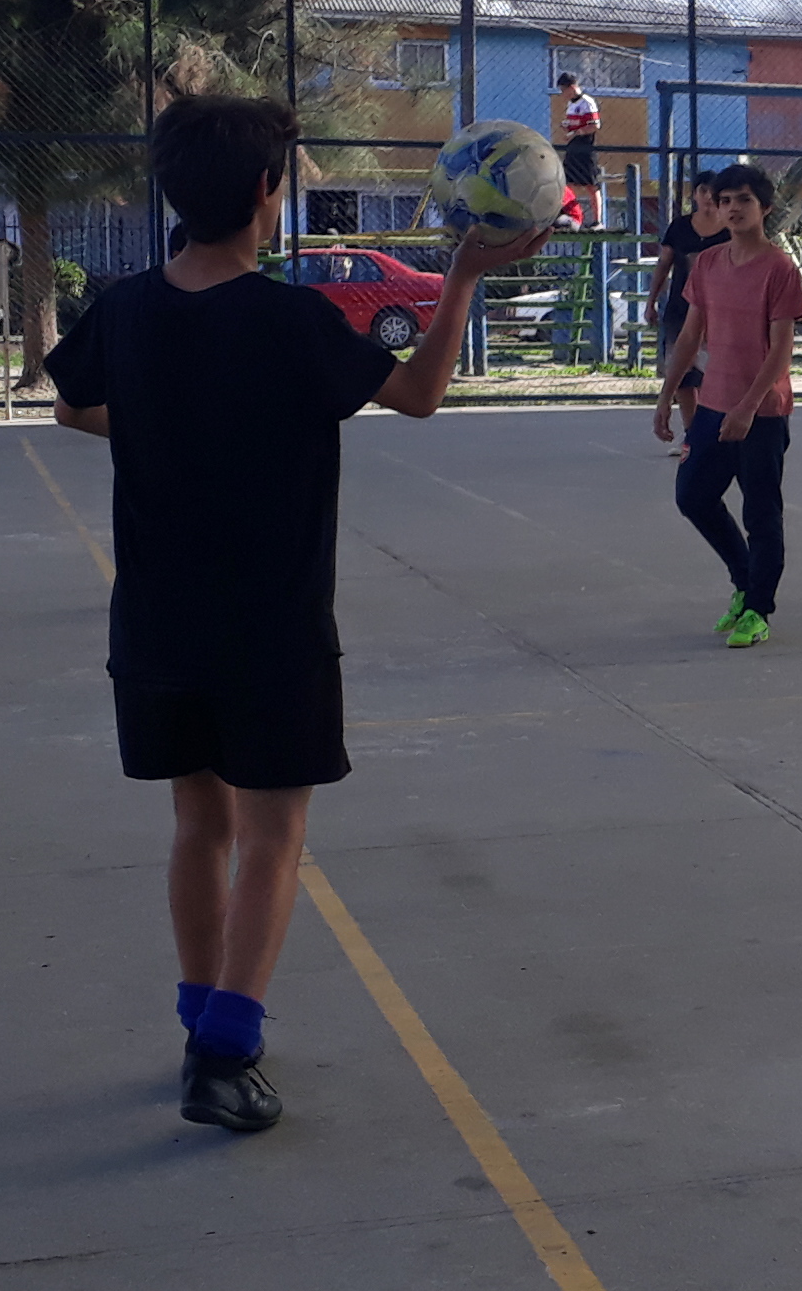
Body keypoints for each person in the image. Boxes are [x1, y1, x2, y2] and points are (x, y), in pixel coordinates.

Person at [47, 93, 540, 1135]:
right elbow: (419, 394)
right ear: (269, 191)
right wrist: (460, 278)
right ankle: (226, 1055)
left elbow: (73, 406)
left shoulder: (126, 309)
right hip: (270, 628)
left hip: (156, 624)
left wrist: (170, 423)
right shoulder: (291, 320)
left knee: (199, 823)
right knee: (273, 834)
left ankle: (201, 1023)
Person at [670, 161, 802, 646]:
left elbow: (781, 351)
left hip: (761, 413)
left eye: (744, 200)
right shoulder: (708, 264)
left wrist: (748, 408)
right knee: (692, 496)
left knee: (761, 514)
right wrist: (665, 397)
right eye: (724, 200)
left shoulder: (779, 269)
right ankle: (744, 578)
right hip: (712, 405)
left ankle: (757, 610)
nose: (732, 208)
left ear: (764, 207)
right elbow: (690, 336)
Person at [649, 183, 724, 444]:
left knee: (711, 372)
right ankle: (692, 435)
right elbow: (663, 264)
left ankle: (713, 431)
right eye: (703, 191)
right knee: (682, 374)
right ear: (694, 195)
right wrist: (651, 301)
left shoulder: (731, 230)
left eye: (714, 192)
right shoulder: (680, 227)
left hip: (718, 311)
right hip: (681, 308)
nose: (708, 197)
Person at [554, 74, 602, 225]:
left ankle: (597, 221)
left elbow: (594, 125)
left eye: (564, 90)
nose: (563, 94)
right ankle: (568, 214)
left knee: (591, 185)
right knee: (566, 183)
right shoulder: (571, 104)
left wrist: (576, 133)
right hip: (572, 147)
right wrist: (567, 127)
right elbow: (575, 124)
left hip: (585, 147)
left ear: (572, 87)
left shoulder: (587, 102)